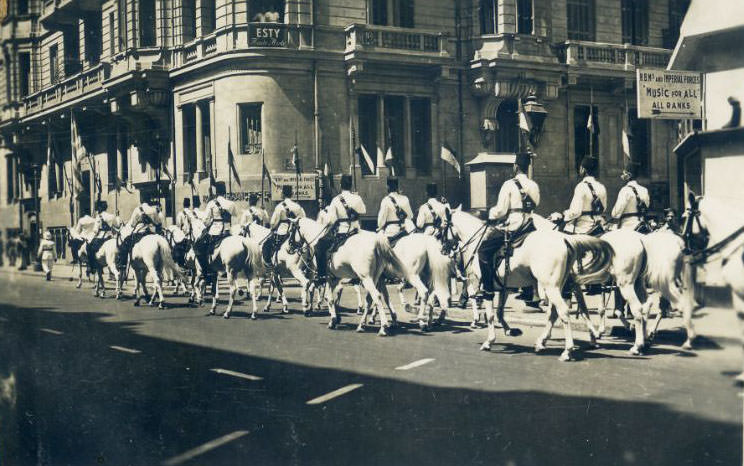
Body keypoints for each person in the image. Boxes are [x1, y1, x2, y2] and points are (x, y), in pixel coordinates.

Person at [477, 152, 539, 300]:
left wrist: (490, 214)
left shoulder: (509, 184)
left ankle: (488, 289)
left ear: (516, 167)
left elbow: (501, 210)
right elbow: (536, 203)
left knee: (483, 251)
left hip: (514, 225)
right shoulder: (534, 185)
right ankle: (529, 290)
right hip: (530, 224)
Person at [315, 174, 366, 283]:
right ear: (351, 185)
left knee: (319, 246)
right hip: (357, 232)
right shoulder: (357, 198)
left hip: (342, 233)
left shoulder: (336, 200)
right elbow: (363, 211)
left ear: (340, 184)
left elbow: (331, 220)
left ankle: (322, 276)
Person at [552, 156, 606, 235]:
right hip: (598, 228)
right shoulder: (601, 187)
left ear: (583, 169)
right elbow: (603, 209)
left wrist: (563, 215)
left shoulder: (581, 186)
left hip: (582, 229)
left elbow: (575, 212)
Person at [194, 182, 240, 274]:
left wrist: (207, 224)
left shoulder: (212, 203)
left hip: (215, 232)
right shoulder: (231, 203)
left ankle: (206, 271)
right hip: (228, 231)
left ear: (216, 192)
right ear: (225, 191)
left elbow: (206, 220)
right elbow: (236, 216)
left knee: (198, 247)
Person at [117, 196, 162, 269]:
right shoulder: (153, 210)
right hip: (151, 232)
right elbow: (158, 222)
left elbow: (132, 224)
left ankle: (122, 264)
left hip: (140, 233)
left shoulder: (137, 209)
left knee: (125, 244)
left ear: (141, 200)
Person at [265, 185, 305, 264]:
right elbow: (303, 219)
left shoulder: (279, 207)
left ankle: (270, 264)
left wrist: (272, 228)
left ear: (283, 194)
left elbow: (273, 223)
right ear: (292, 194)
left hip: (283, 233)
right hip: (295, 234)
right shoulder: (297, 206)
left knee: (268, 243)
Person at [611, 158, 651, 233]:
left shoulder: (625, 190)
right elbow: (646, 207)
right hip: (641, 227)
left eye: (624, 173)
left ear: (629, 175)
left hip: (627, 226)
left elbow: (615, 213)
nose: (622, 176)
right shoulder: (644, 190)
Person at [378, 177, 414, 245]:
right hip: (405, 232)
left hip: (391, 234)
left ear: (387, 187)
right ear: (397, 187)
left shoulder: (385, 200)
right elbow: (410, 216)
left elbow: (380, 223)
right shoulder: (405, 198)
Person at [88, 200, 119, 273]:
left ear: (100, 208)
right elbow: (117, 226)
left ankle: (92, 267)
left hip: (101, 238)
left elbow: (95, 230)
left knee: (89, 248)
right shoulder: (112, 216)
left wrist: (90, 239)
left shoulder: (99, 217)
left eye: (98, 209)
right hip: (110, 237)